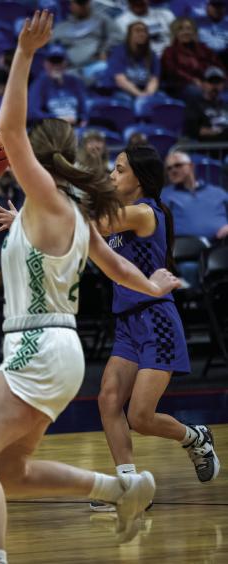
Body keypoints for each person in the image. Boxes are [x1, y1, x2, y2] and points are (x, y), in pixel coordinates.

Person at [0, 12, 181, 563]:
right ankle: (120, 489)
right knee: (11, 470)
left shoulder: (53, 199)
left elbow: (8, 129)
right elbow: (118, 270)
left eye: (20, 152)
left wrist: (24, 53)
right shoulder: (67, 213)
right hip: (59, 350)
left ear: (31, 155)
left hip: (39, 344)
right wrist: (153, 285)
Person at [90, 144, 220, 513]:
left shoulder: (144, 213)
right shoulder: (122, 213)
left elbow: (88, 226)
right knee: (108, 400)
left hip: (156, 321)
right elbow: (77, 235)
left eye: (118, 170)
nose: (112, 176)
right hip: (128, 323)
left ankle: (195, 437)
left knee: (141, 417)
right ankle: (131, 486)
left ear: (140, 179)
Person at [160, 17, 224, 100]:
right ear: (175, 33)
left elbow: (218, 65)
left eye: (189, 29)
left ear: (194, 31)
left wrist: (222, 79)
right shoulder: (169, 52)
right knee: (199, 91)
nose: (186, 32)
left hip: (209, 82)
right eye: (181, 29)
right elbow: (173, 71)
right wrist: (193, 80)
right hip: (182, 86)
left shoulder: (204, 49)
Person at [108, 21, 160, 102]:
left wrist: (148, 95)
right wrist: (140, 95)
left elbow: (154, 80)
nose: (142, 34)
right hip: (123, 91)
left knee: (161, 100)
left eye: (144, 31)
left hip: (144, 90)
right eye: (137, 31)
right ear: (129, 35)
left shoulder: (151, 55)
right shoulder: (119, 52)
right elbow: (120, 80)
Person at [183, 66, 228, 143]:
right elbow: (193, 131)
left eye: (218, 82)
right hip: (207, 149)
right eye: (211, 81)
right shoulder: (195, 105)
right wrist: (218, 132)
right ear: (203, 84)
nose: (215, 86)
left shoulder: (225, 105)